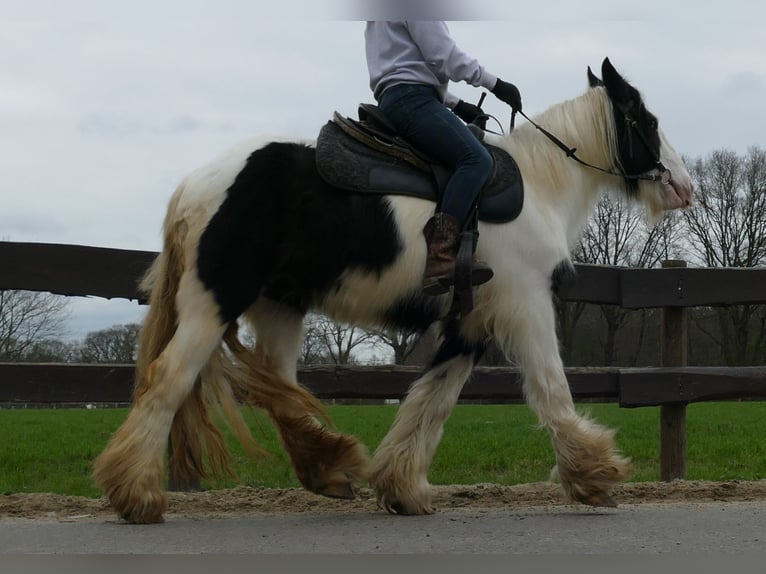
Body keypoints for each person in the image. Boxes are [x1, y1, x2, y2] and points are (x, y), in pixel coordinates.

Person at [364, 21, 522, 295]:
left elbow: (406, 64)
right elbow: (443, 55)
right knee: (477, 160)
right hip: (414, 100)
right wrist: (495, 84)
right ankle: (440, 255)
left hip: (398, 98)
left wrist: (457, 105)